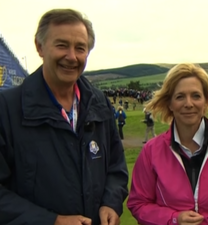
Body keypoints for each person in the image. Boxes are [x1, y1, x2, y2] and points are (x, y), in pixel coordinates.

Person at [0, 9, 129, 225]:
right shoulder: (7, 109)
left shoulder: (99, 103)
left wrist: (111, 202)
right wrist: (51, 221)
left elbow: (116, 167)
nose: (72, 57)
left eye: (80, 48)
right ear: (39, 47)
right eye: (61, 45)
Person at [127, 63, 208, 225]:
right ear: (170, 103)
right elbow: (138, 204)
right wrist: (173, 219)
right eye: (180, 97)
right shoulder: (151, 151)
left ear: (206, 101)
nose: (188, 103)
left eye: (196, 96)